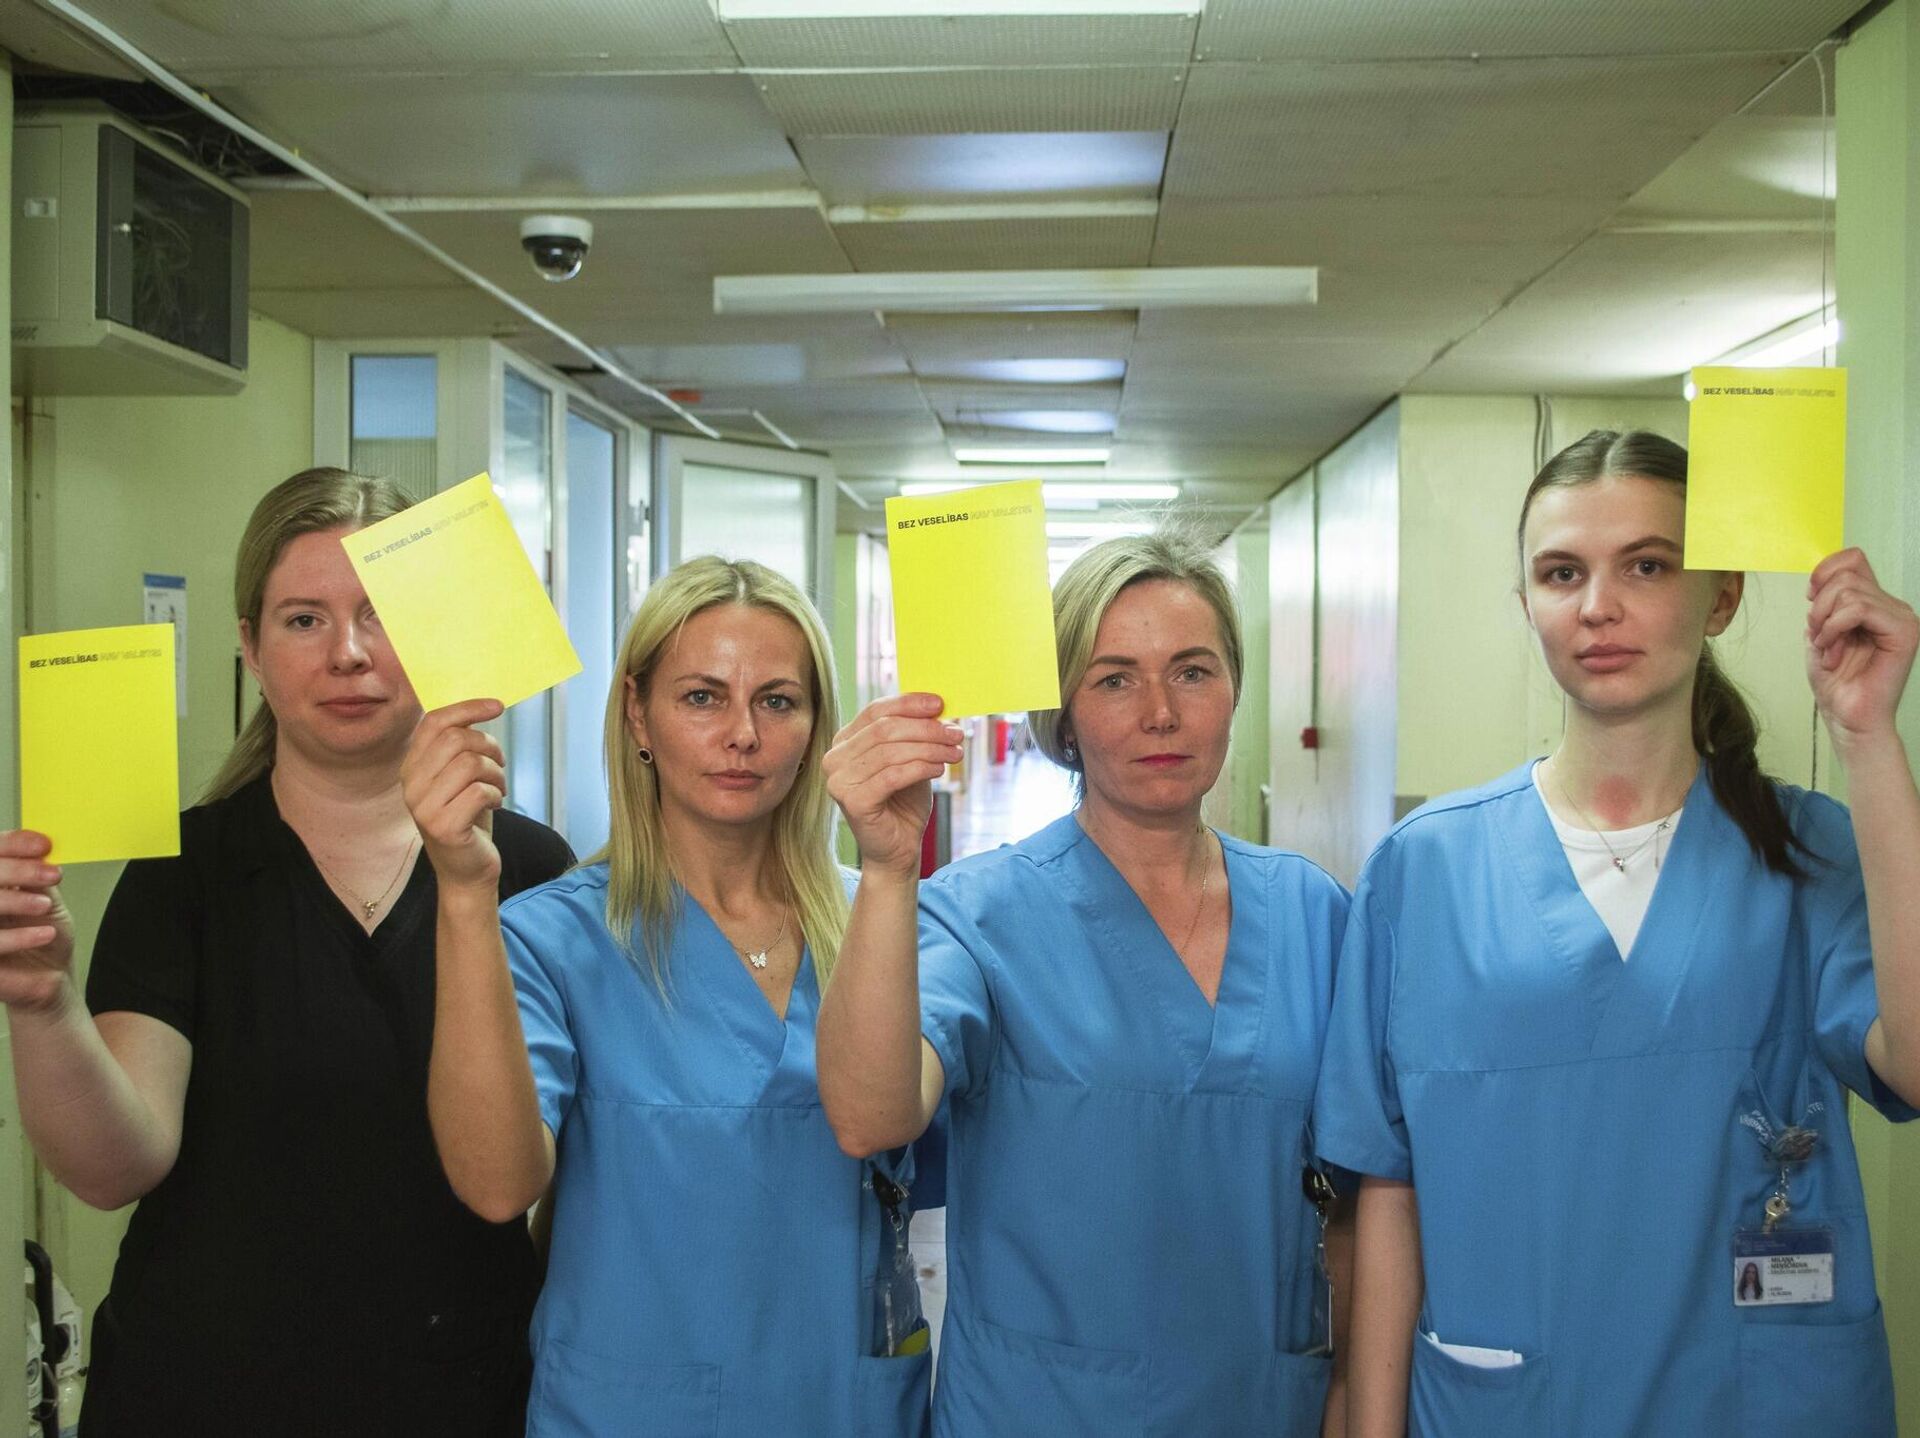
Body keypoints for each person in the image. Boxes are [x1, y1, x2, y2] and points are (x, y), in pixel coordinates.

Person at [1317, 430, 1920, 1437]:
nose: (1598, 605)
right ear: (1526, 604)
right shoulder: (1426, 870)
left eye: (1647, 565)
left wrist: (1868, 735)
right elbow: (1389, 1190)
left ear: (1721, 596)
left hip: (1757, 1402)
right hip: (1513, 1403)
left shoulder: (1809, 851)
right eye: (1562, 572)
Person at [0, 468, 573, 1436]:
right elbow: (112, 1168)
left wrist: (463, 887)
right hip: (201, 1391)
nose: (348, 652)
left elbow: (521, 1180)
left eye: (381, 615)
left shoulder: (529, 868)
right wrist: (43, 1005)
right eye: (305, 619)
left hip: (457, 1389)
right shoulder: (183, 874)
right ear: (251, 649)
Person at [818, 529, 1353, 1437]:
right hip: (1039, 1412)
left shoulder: (1313, 912)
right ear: (1063, 716)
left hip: (1261, 1406)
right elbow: (871, 1116)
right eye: (1114, 679)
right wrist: (885, 869)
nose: (1160, 713)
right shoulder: (979, 912)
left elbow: (1358, 1197)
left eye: (1192, 671)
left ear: (1234, 690)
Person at [407, 555, 954, 1438]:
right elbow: (498, 1186)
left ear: (816, 725)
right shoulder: (554, 939)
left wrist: (892, 867)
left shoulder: (890, 925)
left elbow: (907, 1132)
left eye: (778, 701)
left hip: (843, 1404)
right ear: (638, 714)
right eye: (702, 697)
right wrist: (465, 892)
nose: (742, 734)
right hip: (628, 1411)